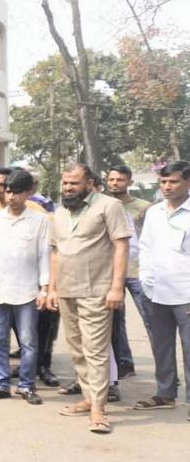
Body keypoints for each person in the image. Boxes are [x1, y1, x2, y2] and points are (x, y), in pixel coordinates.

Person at [47, 164, 131, 434]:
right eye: (65, 183)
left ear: (90, 183)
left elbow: (121, 246)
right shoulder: (59, 212)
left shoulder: (109, 206)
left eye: (74, 183)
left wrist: (116, 287)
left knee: (95, 350)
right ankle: (87, 397)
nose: (68, 188)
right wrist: (52, 288)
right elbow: (56, 252)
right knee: (77, 348)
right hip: (67, 290)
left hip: (97, 290)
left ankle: (98, 409)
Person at [0, 169, 48, 405]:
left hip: (27, 291)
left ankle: (26, 385)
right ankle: (1, 383)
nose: (11, 197)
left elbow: (45, 256)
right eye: (8, 191)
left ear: (28, 193)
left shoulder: (39, 220)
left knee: (28, 342)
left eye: (17, 192)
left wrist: (45, 288)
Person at [134, 160, 190, 417]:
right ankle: (165, 393)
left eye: (173, 181)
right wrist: (145, 277)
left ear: (187, 183)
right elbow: (145, 247)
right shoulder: (154, 212)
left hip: (186, 293)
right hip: (157, 292)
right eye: (163, 182)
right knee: (162, 346)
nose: (167, 187)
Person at [105, 165, 152, 378]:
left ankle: (165, 369)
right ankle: (124, 364)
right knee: (115, 322)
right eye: (112, 179)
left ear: (130, 182)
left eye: (120, 180)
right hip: (113, 272)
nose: (115, 183)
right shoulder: (104, 205)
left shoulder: (144, 207)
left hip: (138, 271)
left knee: (151, 320)